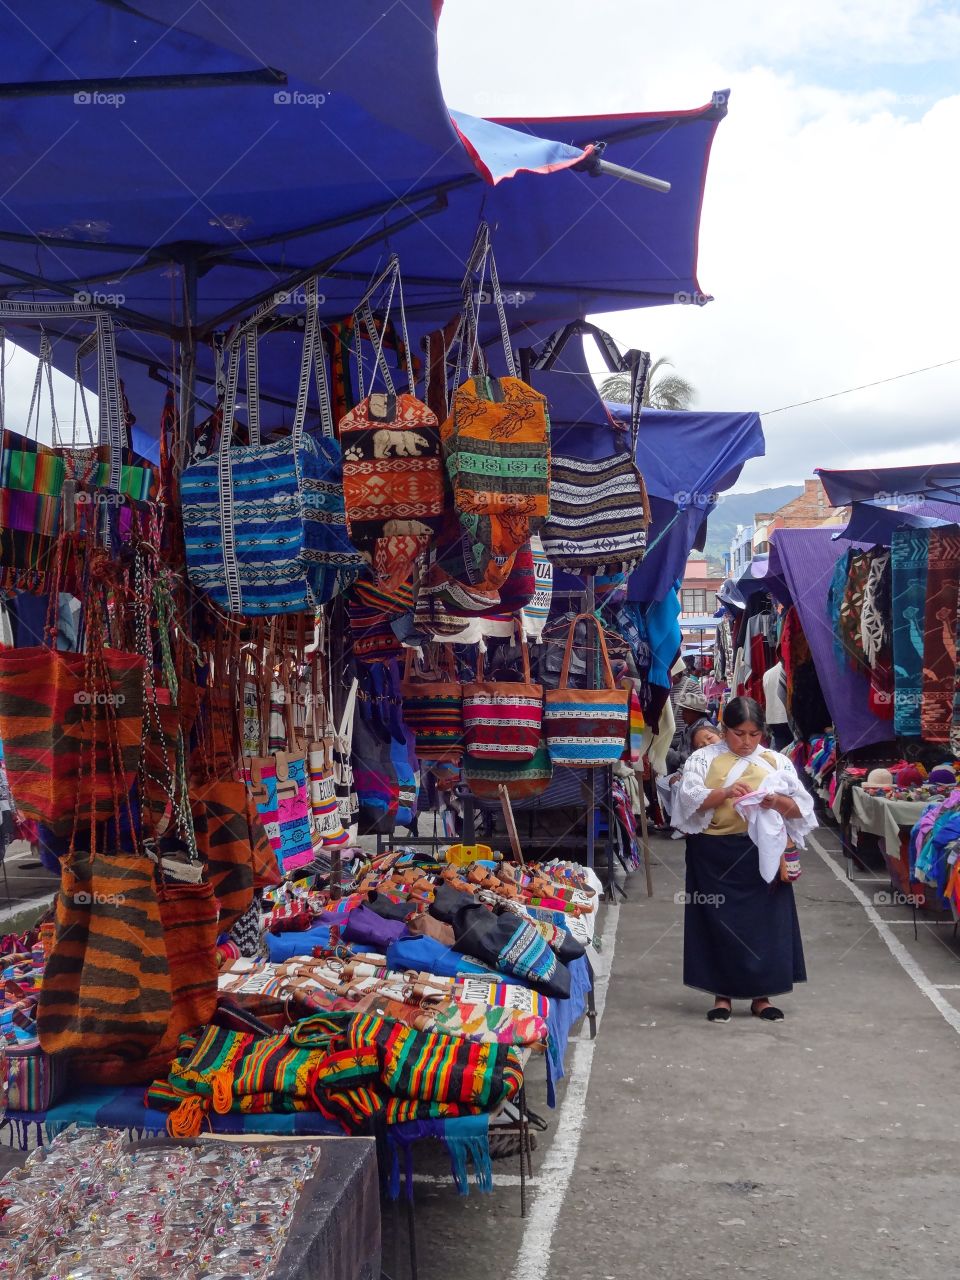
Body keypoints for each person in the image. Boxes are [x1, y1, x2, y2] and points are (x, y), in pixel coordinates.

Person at [672, 696, 816, 1023]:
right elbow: (688, 803)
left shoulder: (777, 762)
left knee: (764, 927)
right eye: (739, 733)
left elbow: (802, 812)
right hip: (713, 855)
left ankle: (761, 997)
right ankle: (721, 996)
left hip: (761, 853)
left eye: (754, 734)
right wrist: (725, 792)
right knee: (717, 925)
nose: (747, 741)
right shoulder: (703, 760)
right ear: (724, 729)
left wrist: (776, 801)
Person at [762, 652, 791, 751]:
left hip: (774, 718)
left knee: (780, 749)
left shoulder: (767, 674)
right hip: (787, 717)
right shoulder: (789, 670)